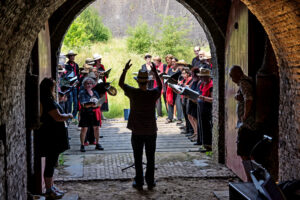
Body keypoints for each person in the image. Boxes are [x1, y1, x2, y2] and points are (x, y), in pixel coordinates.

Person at [119, 60, 162, 190]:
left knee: (137, 158)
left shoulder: (133, 93)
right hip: (150, 130)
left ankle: (139, 181)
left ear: (137, 81)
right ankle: (150, 181)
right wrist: (155, 73)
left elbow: (121, 84)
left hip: (137, 130)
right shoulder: (153, 93)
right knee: (151, 157)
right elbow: (160, 87)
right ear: (148, 81)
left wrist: (125, 70)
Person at [38, 78, 73, 199]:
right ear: (49, 88)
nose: (55, 88)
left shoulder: (47, 99)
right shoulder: (47, 101)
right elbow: (57, 117)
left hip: (52, 136)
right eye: (53, 86)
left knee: (51, 163)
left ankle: (51, 187)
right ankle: (48, 190)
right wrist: (68, 115)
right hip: (51, 137)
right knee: (50, 163)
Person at [229, 65, 258, 181]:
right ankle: (251, 178)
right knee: (246, 152)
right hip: (248, 124)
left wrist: (245, 115)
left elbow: (249, 98)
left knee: (244, 152)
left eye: (231, 76)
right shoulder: (246, 81)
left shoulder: (243, 82)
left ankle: (250, 179)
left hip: (247, 125)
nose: (231, 79)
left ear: (237, 74)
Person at [78, 77, 104, 152]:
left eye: (90, 83)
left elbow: (99, 102)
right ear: (84, 85)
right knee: (84, 129)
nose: (89, 85)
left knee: (96, 128)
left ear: (92, 85)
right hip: (86, 113)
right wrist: (92, 105)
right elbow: (83, 104)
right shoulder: (82, 92)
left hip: (95, 113)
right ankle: (82, 145)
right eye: (87, 83)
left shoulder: (95, 92)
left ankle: (97, 143)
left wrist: (98, 104)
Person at [196, 68, 213, 151]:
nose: (201, 78)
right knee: (202, 126)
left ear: (207, 77)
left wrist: (203, 98)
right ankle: (204, 144)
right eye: (201, 77)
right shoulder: (202, 84)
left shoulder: (211, 85)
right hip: (201, 107)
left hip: (207, 108)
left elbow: (213, 99)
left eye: (203, 77)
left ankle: (208, 145)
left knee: (206, 127)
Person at [166, 58, 183, 124]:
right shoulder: (170, 69)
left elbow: (181, 78)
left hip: (178, 88)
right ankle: (170, 118)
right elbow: (167, 77)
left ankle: (179, 118)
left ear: (177, 62)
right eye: (172, 62)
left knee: (178, 102)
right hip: (171, 88)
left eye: (174, 62)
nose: (173, 63)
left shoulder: (179, 70)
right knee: (170, 102)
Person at [186, 67, 201, 142]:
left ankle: (197, 133)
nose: (191, 74)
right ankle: (195, 132)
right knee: (189, 116)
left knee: (195, 118)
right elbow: (189, 87)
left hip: (194, 100)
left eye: (192, 73)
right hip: (191, 99)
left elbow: (196, 91)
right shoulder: (193, 80)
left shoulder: (198, 81)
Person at [65, 50, 79, 118]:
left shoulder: (76, 65)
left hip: (75, 84)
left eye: (73, 56)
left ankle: (74, 115)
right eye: (71, 56)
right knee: (70, 101)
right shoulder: (66, 65)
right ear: (69, 57)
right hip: (70, 85)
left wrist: (78, 80)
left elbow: (78, 74)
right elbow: (65, 75)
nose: (72, 57)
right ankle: (69, 115)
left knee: (75, 101)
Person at [178, 67, 193, 135]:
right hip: (183, 97)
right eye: (182, 73)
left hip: (188, 98)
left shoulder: (190, 80)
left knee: (188, 115)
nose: (182, 75)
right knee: (185, 115)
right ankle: (187, 129)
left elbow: (188, 87)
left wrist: (182, 85)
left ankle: (190, 130)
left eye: (184, 73)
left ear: (188, 74)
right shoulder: (184, 80)